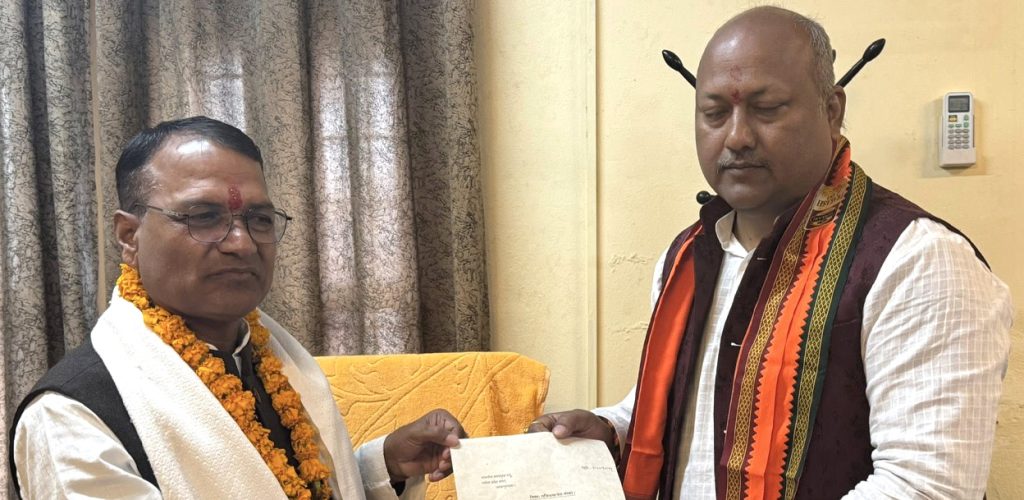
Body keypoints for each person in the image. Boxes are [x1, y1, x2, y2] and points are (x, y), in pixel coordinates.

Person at [529, 6, 1012, 500]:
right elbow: (687, 412)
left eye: (767, 108)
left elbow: (927, 486)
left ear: (832, 110)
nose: (737, 136)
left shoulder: (918, 261)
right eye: (715, 113)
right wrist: (612, 429)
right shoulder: (689, 256)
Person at [9, 116, 465, 499]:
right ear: (130, 236)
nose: (242, 243)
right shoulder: (71, 417)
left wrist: (385, 467)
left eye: (259, 219)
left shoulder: (269, 359)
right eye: (204, 217)